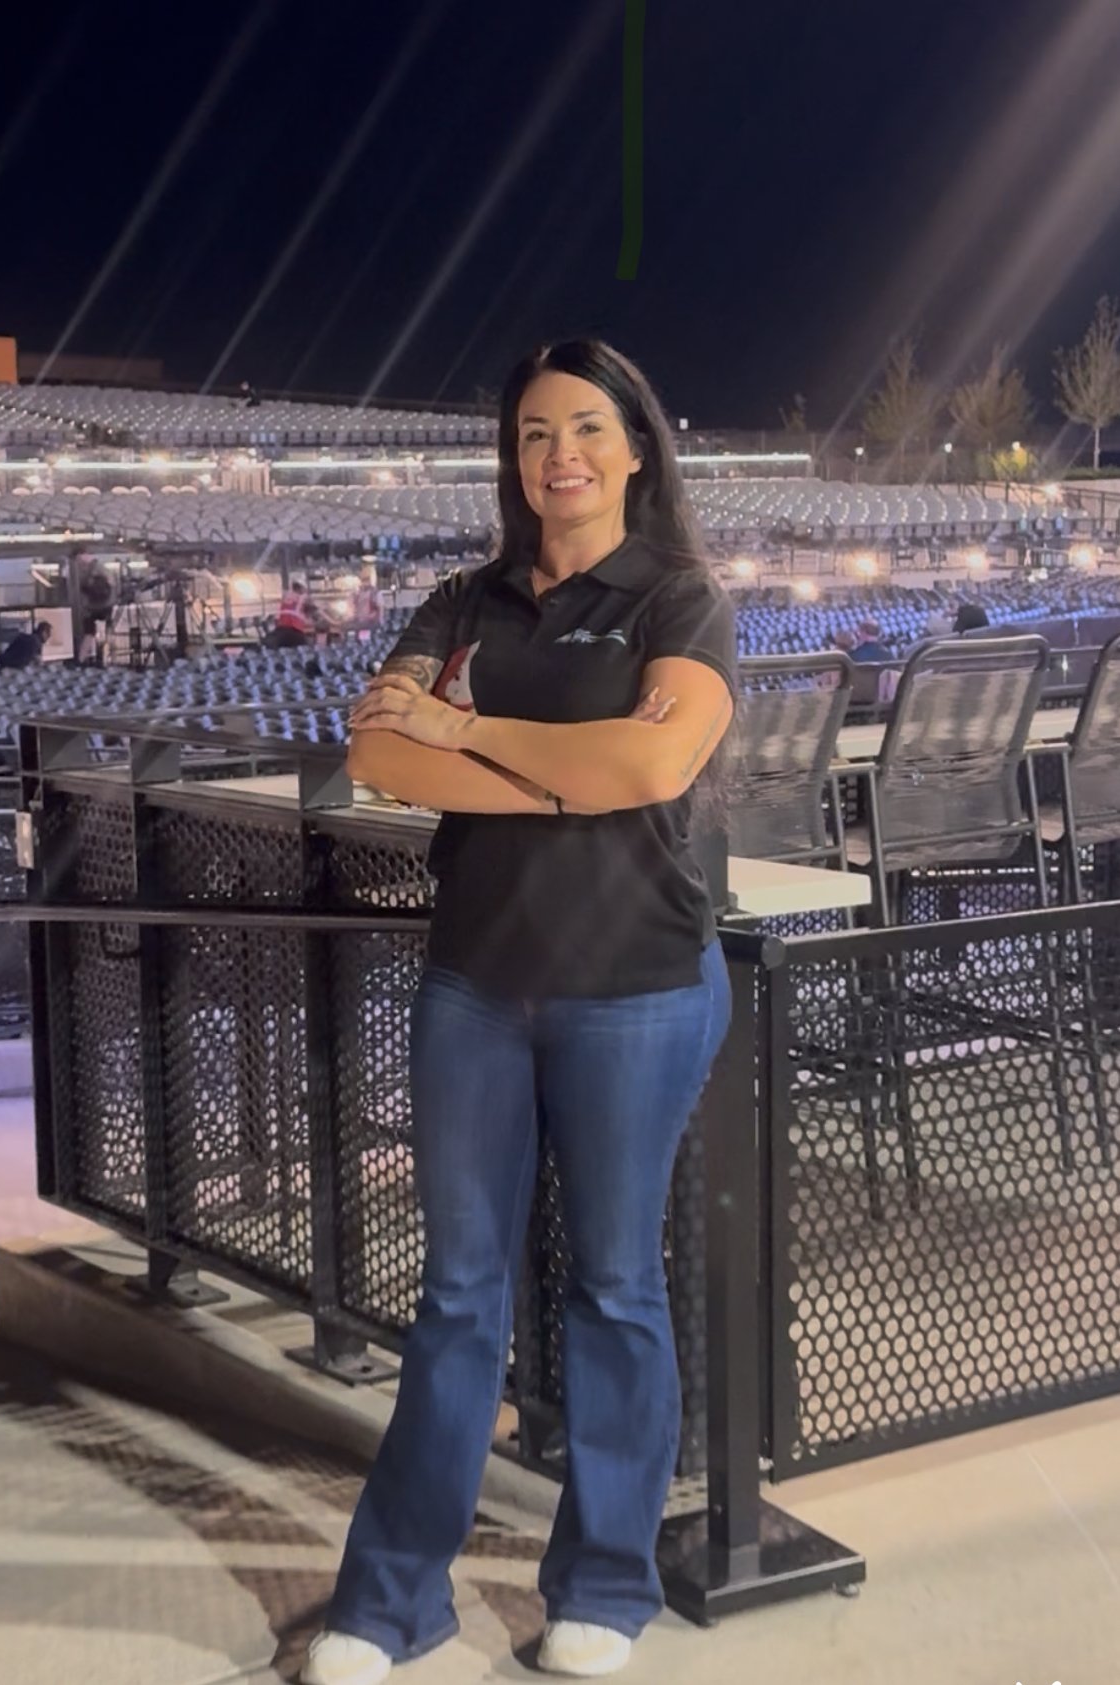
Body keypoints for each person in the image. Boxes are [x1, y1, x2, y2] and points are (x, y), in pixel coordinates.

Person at [302, 339, 737, 1685]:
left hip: (637, 988)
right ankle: (388, 1603)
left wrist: (470, 734)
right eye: (535, 432)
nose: (559, 455)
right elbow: (376, 756)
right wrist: (558, 773)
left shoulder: (677, 598)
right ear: (512, 456)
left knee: (613, 1286)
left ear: (636, 447)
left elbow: (653, 760)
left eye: (587, 429)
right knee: (455, 1296)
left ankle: (603, 1581)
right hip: (478, 983)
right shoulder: (463, 598)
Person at [273, 578, 333, 648]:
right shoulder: (295, 599)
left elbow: (311, 612)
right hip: (290, 632)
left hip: (289, 632)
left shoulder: (293, 601)